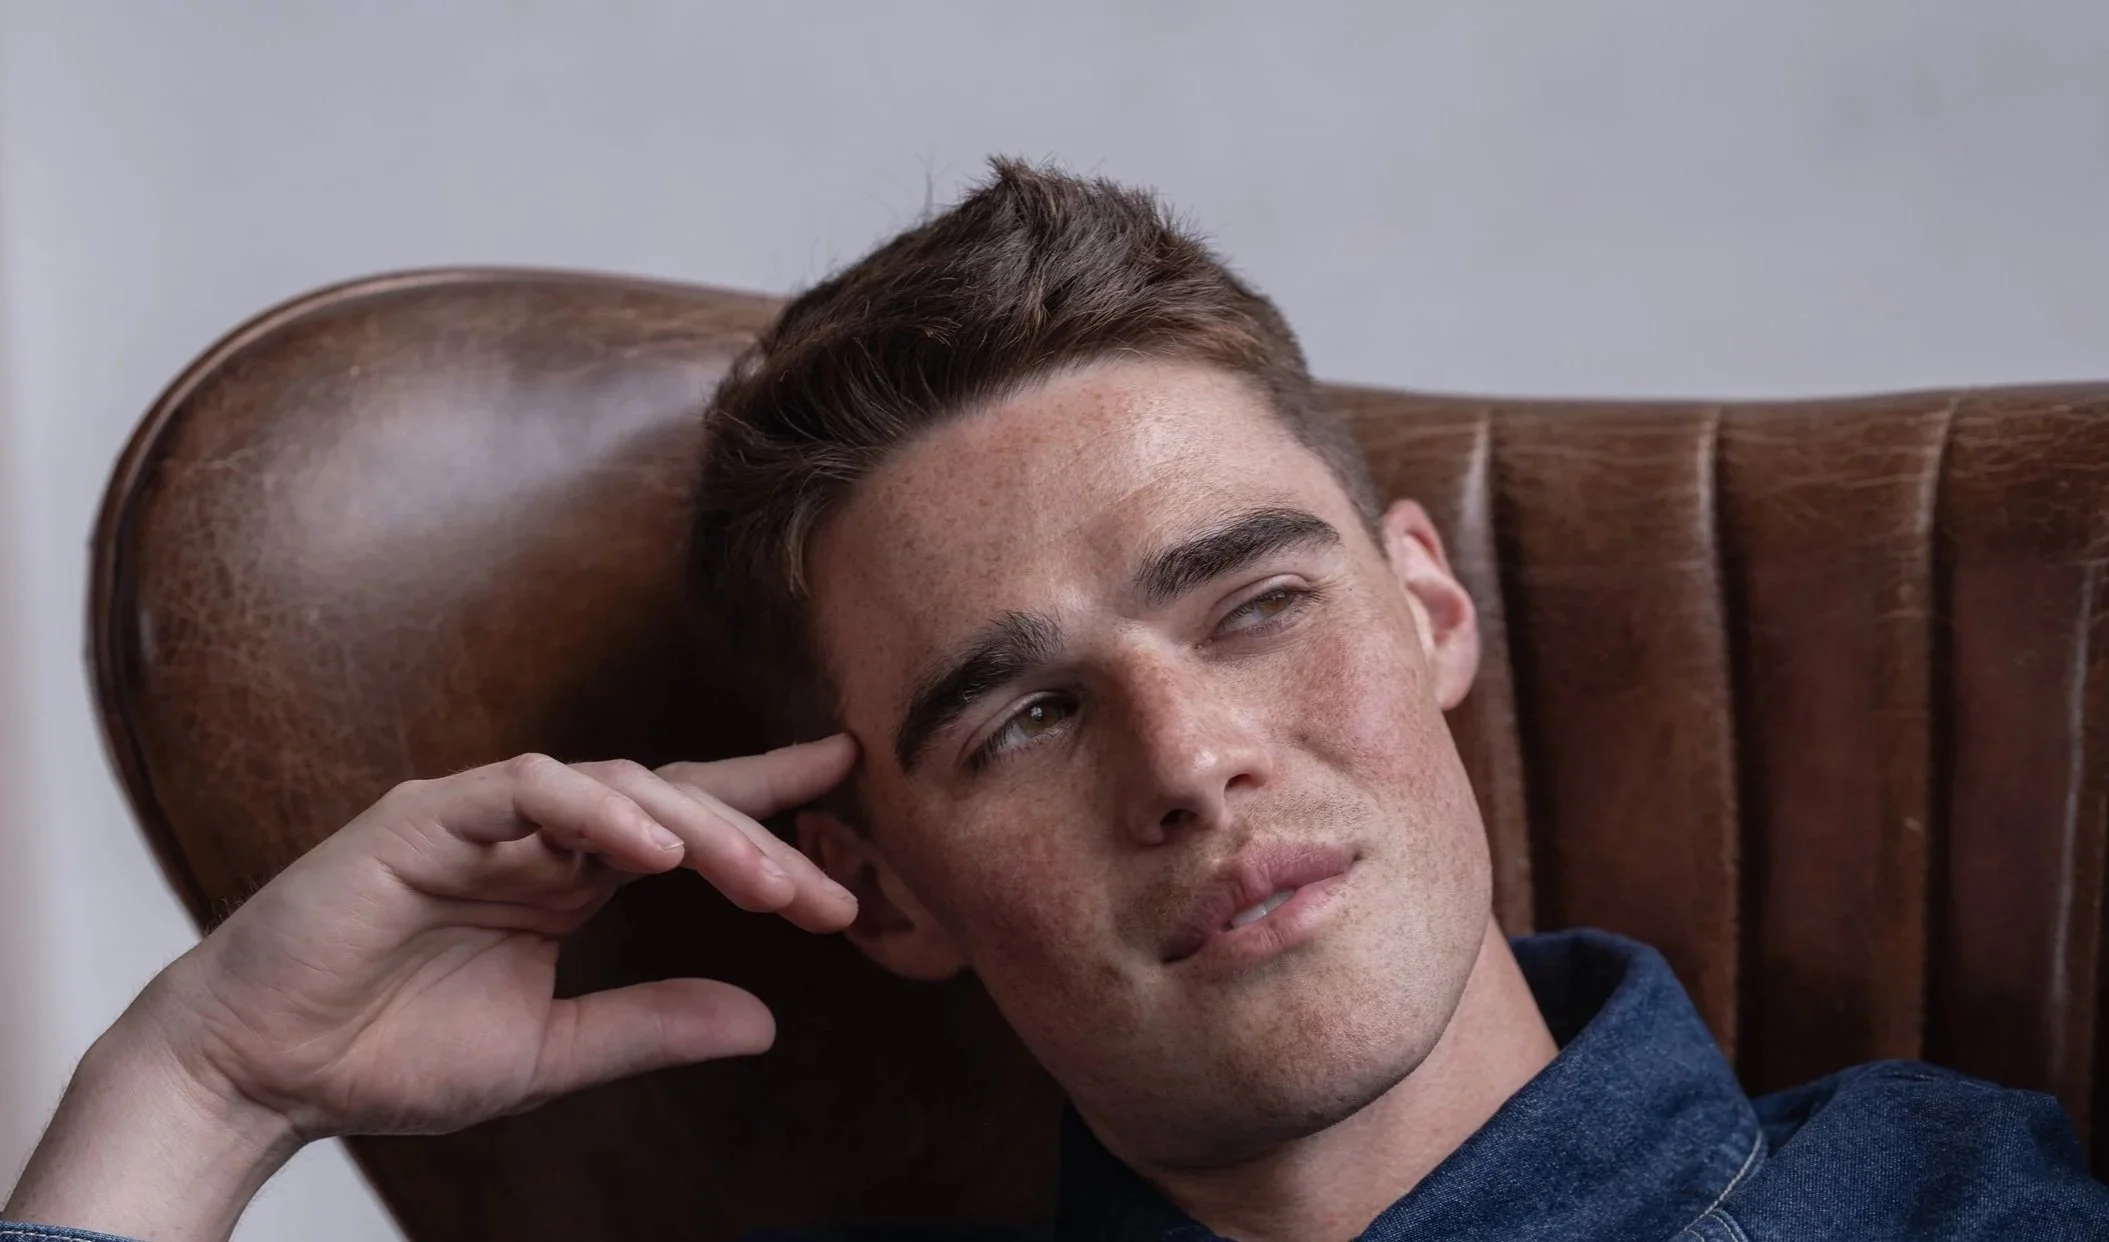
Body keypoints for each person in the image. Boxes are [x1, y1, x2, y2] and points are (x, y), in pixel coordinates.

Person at [5, 161, 2106, 1242]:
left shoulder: (1976, 1208)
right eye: (1014, 721)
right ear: (882, 886)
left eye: (1253, 603)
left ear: (1425, 609)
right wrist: (207, 1090)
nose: (1190, 761)